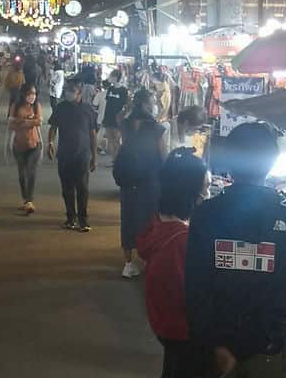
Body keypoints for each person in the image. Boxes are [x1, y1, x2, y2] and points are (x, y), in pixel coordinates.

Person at [185, 123, 286, 378]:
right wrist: (244, 347)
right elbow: (283, 298)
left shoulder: (205, 215)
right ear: (273, 162)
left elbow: (195, 287)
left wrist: (220, 345)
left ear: (229, 161)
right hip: (264, 353)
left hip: (210, 352)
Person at [137, 149, 210, 378]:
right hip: (183, 331)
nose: (208, 194)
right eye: (205, 187)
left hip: (166, 326)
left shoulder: (158, 222)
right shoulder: (182, 241)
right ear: (190, 192)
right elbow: (190, 296)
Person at [116, 88, 168, 278]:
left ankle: (128, 264)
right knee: (149, 220)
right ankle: (148, 259)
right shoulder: (156, 128)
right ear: (146, 104)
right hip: (150, 179)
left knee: (128, 218)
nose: (155, 105)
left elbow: (119, 115)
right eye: (153, 101)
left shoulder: (126, 123)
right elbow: (163, 156)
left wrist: (129, 105)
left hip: (127, 178)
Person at [47, 79, 97, 232]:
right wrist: (50, 143)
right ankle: (70, 218)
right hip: (64, 154)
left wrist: (94, 155)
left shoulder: (88, 110)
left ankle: (83, 219)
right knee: (67, 188)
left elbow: (92, 133)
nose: (68, 93)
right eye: (66, 90)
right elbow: (53, 127)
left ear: (79, 93)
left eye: (71, 91)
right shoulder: (60, 108)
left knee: (82, 188)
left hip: (82, 154)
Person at [9, 82, 43, 215]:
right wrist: (29, 121)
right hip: (19, 145)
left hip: (35, 144)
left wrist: (21, 121)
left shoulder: (37, 106)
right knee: (22, 174)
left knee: (31, 171)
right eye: (30, 94)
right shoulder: (15, 106)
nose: (32, 97)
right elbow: (11, 125)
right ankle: (25, 199)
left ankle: (29, 200)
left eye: (34, 94)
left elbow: (39, 121)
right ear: (23, 95)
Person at [102, 69, 128, 164]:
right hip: (108, 118)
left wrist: (122, 118)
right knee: (110, 140)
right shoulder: (110, 89)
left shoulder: (124, 90)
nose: (110, 78)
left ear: (116, 78)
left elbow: (125, 106)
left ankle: (119, 159)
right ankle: (113, 160)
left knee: (117, 140)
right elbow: (107, 104)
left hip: (118, 120)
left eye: (111, 76)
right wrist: (104, 118)